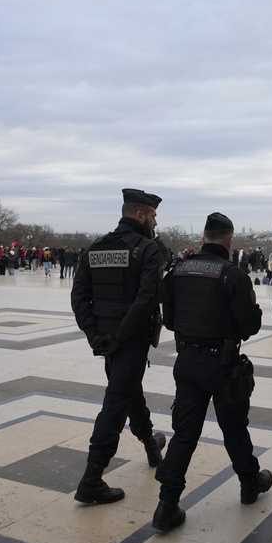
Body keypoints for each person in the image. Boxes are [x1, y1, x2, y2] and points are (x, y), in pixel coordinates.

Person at [152, 212, 272, 532]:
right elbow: (249, 325)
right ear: (229, 240)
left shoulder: (177, 271)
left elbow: (169, 320)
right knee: (234, 427)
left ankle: (167, 503)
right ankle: (249, 483)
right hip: (223, 363)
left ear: (203, 237)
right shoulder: (232, 275)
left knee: (185, 433)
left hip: (188, 360)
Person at [70, 188, 169, 505]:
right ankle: (91, 478)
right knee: (116, 402)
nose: (155, 221)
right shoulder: (148, 250)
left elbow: (79, 298)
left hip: (107, 339)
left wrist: (95, 336)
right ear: (140, 214)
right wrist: (120, 338)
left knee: (128, 391)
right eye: (152, 215)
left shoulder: (95, 248)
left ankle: (152, 448)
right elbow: (146, 300)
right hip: (130, 340)